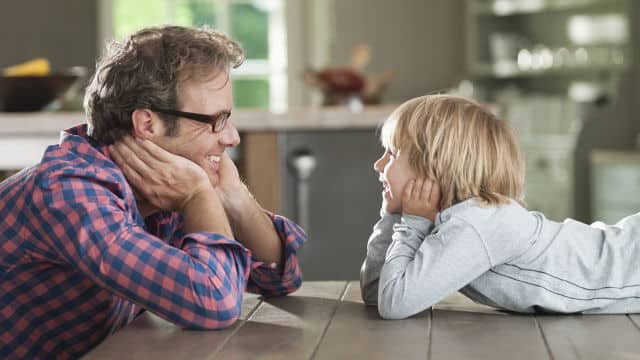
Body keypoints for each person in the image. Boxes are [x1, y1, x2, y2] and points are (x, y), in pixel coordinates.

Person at [0, 25, 307, 358]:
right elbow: (215, 302)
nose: (232, 137)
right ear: (148, 125)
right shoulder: (71, 193)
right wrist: (198, 196)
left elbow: (280, 278)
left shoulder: (159, 186)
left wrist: (235, 196)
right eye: (216, 120)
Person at [360, 94, 640, 320]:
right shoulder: (451, 219)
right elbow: (376, 293)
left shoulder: (477, 223)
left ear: (434, 166)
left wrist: (410, 224)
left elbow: (394, 303)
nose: (378, 165)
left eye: (392, 154)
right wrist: (394, 217)